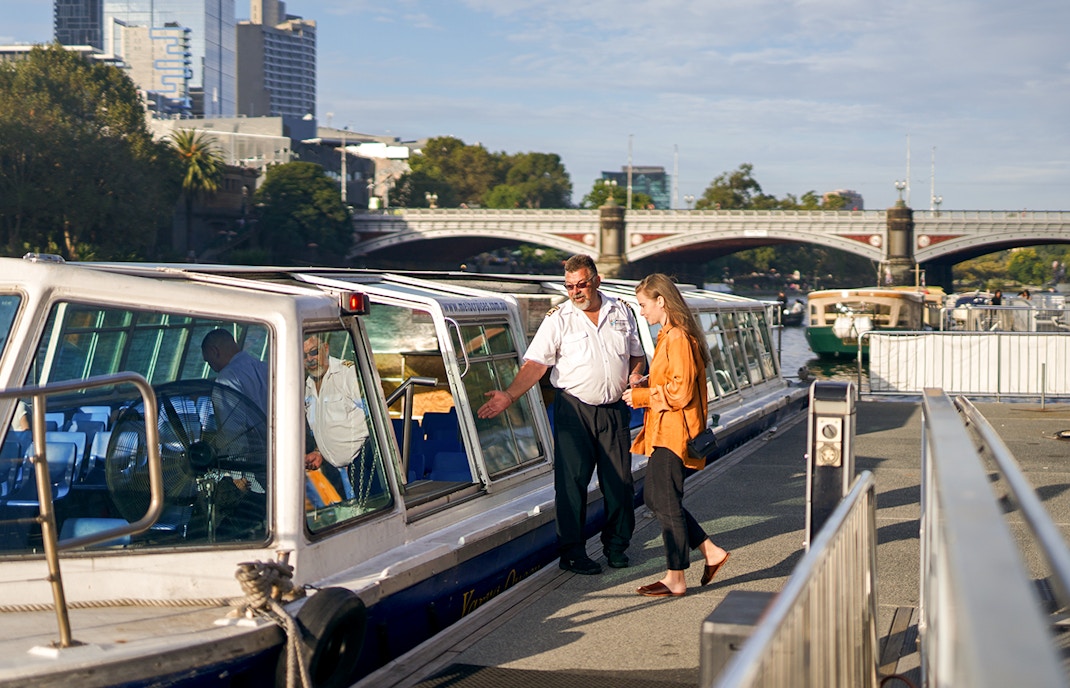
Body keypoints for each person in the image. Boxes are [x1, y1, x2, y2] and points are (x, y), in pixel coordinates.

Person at [477, 254, 645, 575]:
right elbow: (536, 365)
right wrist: (510, 395)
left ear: (596, 281)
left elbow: (637, 356)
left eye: (581, 284)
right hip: (574, 410)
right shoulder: (559, 318)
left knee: (619, 483)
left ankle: (617, 546)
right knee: (572, 484)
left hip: (613, 411)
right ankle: (572, 553)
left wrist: (636, 376)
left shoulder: (621, 311)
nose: (576, 292)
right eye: (569, 286)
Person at [623, 273, 730, 598]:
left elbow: (680, 393)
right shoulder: (668, 335)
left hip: (676, 433)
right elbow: (673, 380)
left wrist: (641, 398)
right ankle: (710, 552)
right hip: (664, 432)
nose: (642, 312)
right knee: (656, 497)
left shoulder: (678, 338)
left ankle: (676, 577)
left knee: (664, 499)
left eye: (644, 305)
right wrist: (647, 381)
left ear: (661, 301)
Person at [303, 334, 370, 502]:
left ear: (326, 348)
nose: (310, 359)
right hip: (333, 474)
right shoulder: (308, 385)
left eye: (313, 352)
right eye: (304, 355)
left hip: (362, 469)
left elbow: (376, 418)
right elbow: (323, 426)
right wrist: (320, 452)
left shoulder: (348, 374)